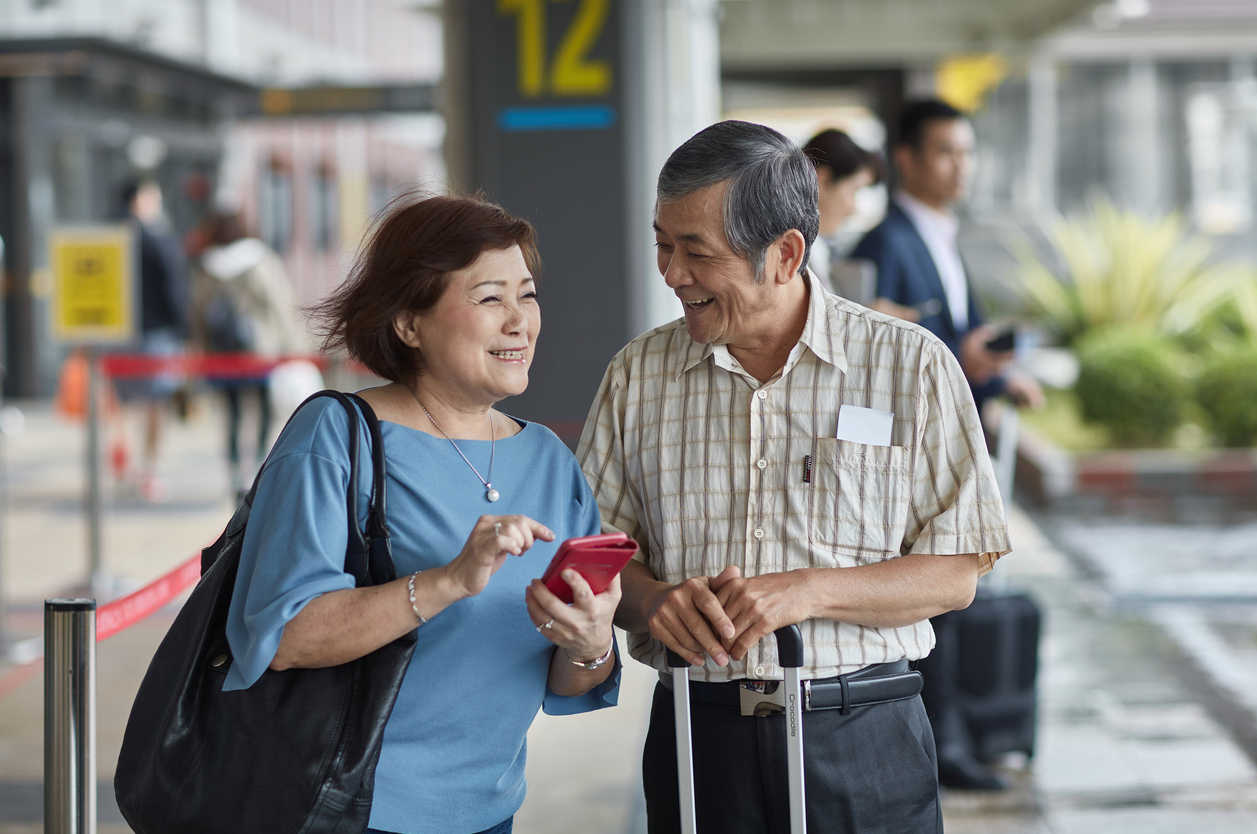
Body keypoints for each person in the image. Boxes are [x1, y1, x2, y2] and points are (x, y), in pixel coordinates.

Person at [578, 120, 1010, 833]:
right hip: (696, 736)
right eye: (662, 243)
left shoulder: (911, 367)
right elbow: (596, 557)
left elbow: (954, 574)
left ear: (783, 255)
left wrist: (806, 590)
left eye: (696, 252)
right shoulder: (636, 375)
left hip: (863, 733)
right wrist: (652, 600)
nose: (671, 273)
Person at [223, 194, 621, 834]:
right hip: (347, 812)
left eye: (527, 295)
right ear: (409, 323)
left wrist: (591, 643)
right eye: (490, 299)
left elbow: (568, 685)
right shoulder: (337, 436)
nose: (519, 321)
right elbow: (284, 637)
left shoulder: (548, 460)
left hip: (491, 812)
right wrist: (446, 581)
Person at [851, 99, 1044, 413]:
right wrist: (961, 356)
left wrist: (1000, 379)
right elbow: (873, 350)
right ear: (906, 159)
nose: (962, 166)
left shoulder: (944, 235)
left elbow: (966, 335)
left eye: (967, 153)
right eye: (945, 152)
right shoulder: (884, 241)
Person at [193, 210, 310, 497]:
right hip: (260, 349)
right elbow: (278, 304)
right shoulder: (259, 260)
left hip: (223, 353)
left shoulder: (207, 265)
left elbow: (198, 312)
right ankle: (258, 466)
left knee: (232, 414)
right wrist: (295, 347)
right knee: (264, 410)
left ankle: (234, 474)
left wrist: (203, 350)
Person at [113, 178, 190, 502]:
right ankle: (149, 472)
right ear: (141, 199)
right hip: (156, 333)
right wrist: (185, 330)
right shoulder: (156, 237)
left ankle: (126, 471)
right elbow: (173, 287)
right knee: (156, 406)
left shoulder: (110, 235)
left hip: (116, 334)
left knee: (125, 406)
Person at [801, 128, 882, 296]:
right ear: (821, 182)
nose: (853, 208)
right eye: (854, 191)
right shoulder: (797, 255)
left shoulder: (814, 250)